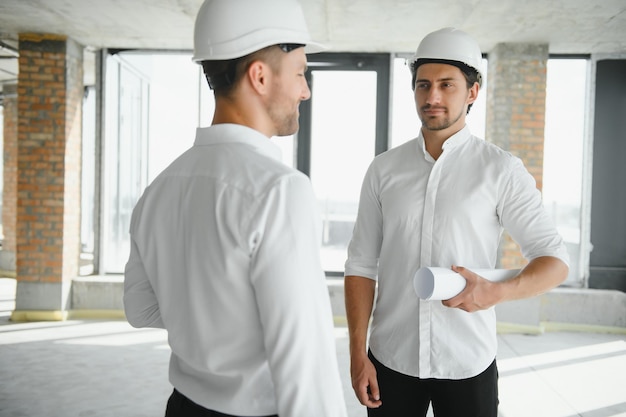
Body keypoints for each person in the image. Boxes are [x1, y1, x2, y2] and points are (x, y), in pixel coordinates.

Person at [123, 1, 348, 416]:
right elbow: (306, 368)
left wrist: (207, 321)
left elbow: (140, 310)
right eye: (300, 72)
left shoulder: (159, 188)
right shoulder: (280, 190)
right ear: (260, 76)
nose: (306, 90)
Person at [344, 27, 570, 417]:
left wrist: (499, 292)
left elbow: (554, 261)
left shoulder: (500, 170)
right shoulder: (383, 170)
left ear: (472, 92)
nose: (432, 97)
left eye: (447, 85)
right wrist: (357, 354)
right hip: (390, 360)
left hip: (469, 362)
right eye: (423, 85)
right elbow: (361, 266)